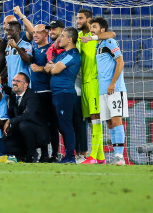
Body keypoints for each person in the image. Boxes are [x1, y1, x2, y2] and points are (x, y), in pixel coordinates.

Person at [76, 9, 117, 164]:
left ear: (89, 20)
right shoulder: (80, 36)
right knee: (91, 121)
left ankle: (93, 155)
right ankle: (100, 157)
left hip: (95, 82)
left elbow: (112, 34)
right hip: (84, 83)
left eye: (80, 18)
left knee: (96, 118)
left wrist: (92, 37)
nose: (78, 21)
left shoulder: (98, 38)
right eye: (77, 18)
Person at [89, 17, 128, 165]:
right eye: (91, 27)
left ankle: (119, 156)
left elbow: (120, 62)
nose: (92, 29)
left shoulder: (109, 42)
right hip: (103, 90)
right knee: (109, 123)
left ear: (102, 29)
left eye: (94, 27)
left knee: (116, 120)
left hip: (114, 89)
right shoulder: (97, 45)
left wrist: (112, 83)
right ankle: (116, 156)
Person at [44, 27, 82, 164]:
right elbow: (47, 67)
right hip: (57, 94)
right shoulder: (62, 55)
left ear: (70, 39)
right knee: (61, 126)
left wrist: (53, 66)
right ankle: (67, 155)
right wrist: (53, 66)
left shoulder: (72, 55)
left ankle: (70, 156)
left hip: (65, 94)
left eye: (63, 36)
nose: (60, 38)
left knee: (66, 125)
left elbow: (54, 70)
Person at [0, 72, 49, 162]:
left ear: (25, 85)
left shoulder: (31, 97)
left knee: (23, 125)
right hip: (22, 131)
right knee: (8, 146)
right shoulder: (14, 94)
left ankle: (32, 154)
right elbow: (8, 89)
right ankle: (21, 154)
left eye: (18, 81)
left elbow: (29, 115)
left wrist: (10, 121)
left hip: (39, 134)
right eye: (13, 80)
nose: (14, 83)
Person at [29, 23, 60, 162]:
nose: (35, 35)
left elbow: (52, 68)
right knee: (39, 124)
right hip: (34, 92)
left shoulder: (51, 49)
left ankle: (55, 153)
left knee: (51, 124)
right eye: (34, 32)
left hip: (47, 91)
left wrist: (41, 68)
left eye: (38, 32)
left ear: (46, 34)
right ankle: (44, 154)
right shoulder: (33, 48)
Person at [3, 20, 33, 87]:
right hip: (11, 86)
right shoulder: (7, 48)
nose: (7, 32)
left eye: (10, 30)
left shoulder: (26, 45)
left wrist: (16, 47)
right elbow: (8, 67)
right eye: (7, 30)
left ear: (18, 32)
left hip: (23, 86)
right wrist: (0, 77)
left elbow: (28, 60)